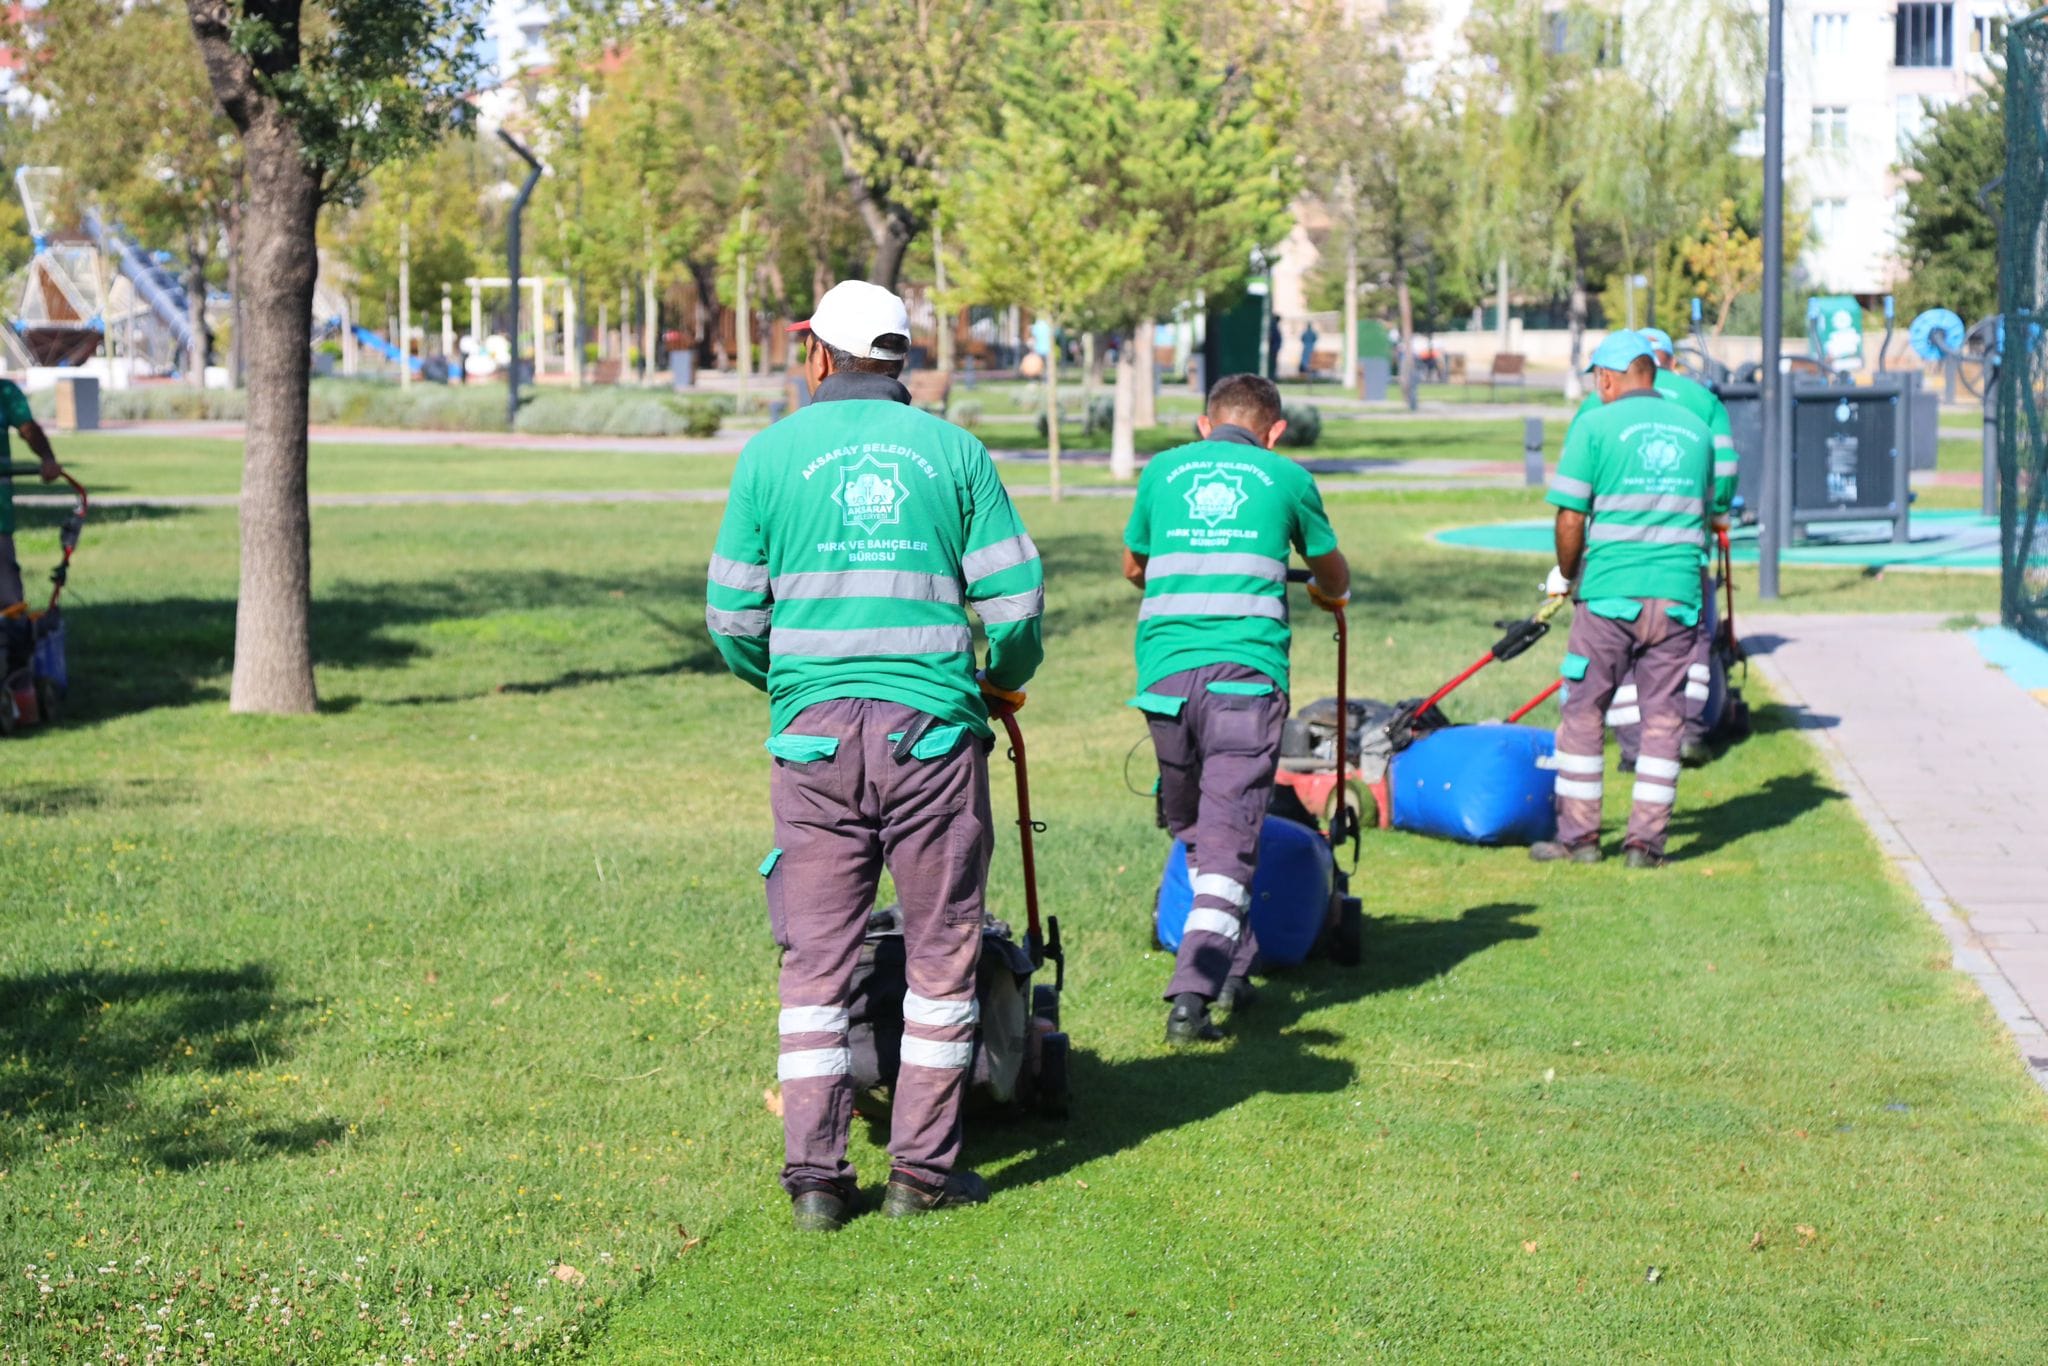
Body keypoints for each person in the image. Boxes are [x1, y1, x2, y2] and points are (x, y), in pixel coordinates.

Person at [705, 280, 1045, 1231]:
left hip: (811, 741)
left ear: (819, 353)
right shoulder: (955, 452)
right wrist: (997, 684)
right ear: (898, 359)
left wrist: (787, 685)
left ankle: (817, 1181)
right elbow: (1015, 608)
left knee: (815, 967)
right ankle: (921, 1175)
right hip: (932, 735)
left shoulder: (768, 456)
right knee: (942, 958)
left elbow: (732, 617)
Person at [1121, 373, 1349, 1042]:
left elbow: (1134, 566)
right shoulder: (1286, 478)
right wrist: (1322, 593)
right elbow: (1333, 576)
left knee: (1193, 825)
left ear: (1203, 423)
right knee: (1224, 836)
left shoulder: (1162, 473)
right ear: (1273, 431)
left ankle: (1233, 965)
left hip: (1164, 682)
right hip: (1245, 684)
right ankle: (1195, 991)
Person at [1532, 331, 1715, 869]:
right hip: (1680, 594)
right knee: (1664, 720)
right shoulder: (1698, 431)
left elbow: (1570, 516)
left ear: (1608, 377)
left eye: (1598, 379)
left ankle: (1580, 841)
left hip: (1611, 593)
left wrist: (1566, 575)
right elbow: (1707, 508)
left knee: (1584, 711)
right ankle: (1645, 846)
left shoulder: (1594, 423)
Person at [1569, 326, 1739, 765]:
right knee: (1692, 646)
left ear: (1609, 374)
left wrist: (1568, 573)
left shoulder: (1596, 409)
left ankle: (1630, 748)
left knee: (1613, 662)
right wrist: (1712, 512)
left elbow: (1577, 491)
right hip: (1681, 557)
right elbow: (1724, 475)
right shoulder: (1702, 405)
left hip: (1611, 565)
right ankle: (1692, 730)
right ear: (1670, 362)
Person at [0, 379, 66, 690]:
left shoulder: (5, 394)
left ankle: (16, 683)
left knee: (11, 605)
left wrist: (48, 459)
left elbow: (28, 429)